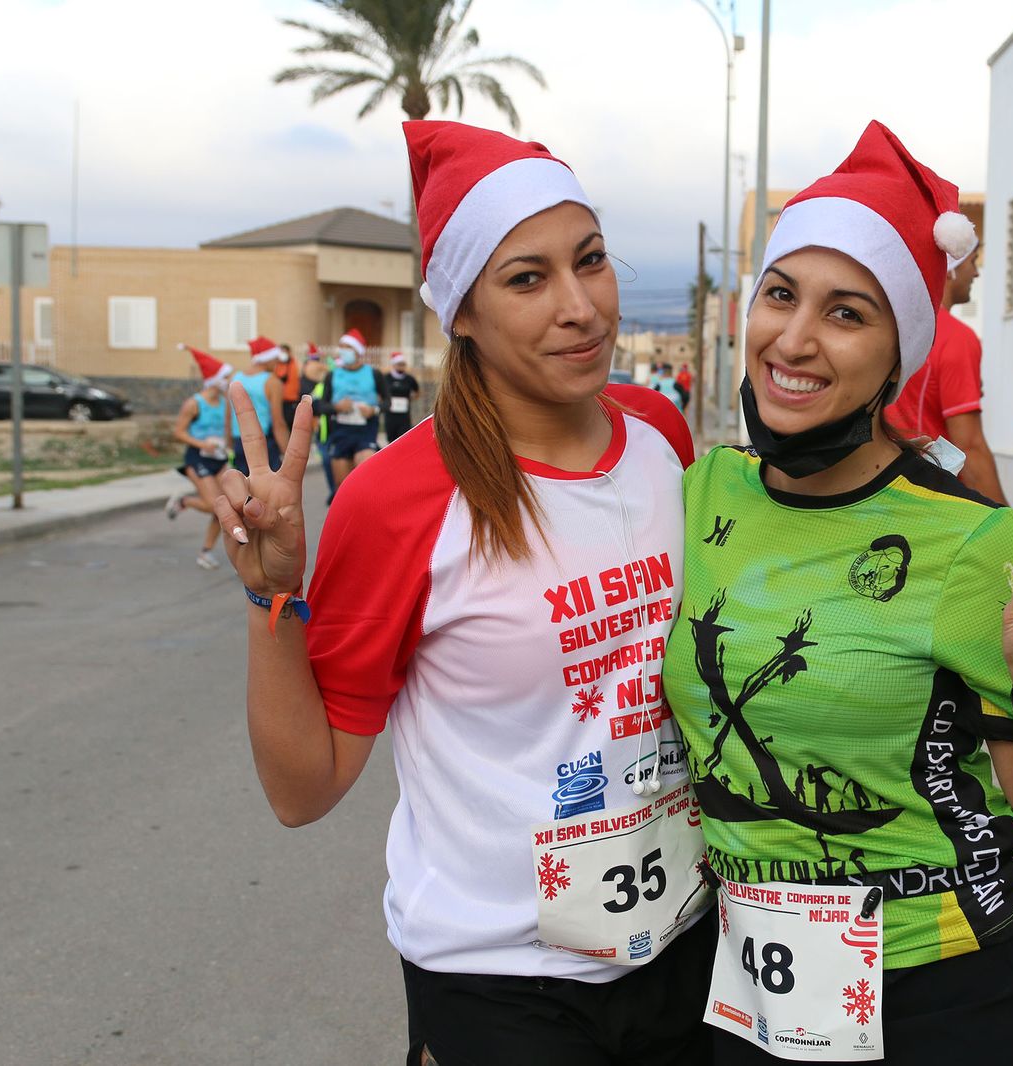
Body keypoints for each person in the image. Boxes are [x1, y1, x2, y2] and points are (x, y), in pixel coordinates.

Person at [211, 121, 713, 1066]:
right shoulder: (399, 498)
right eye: (527, 279)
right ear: (465, 313)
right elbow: (302, 789)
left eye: (591, 261)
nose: (580, 307)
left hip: (683, 946)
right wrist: (272, 599)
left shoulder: (659, 435)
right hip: (499, 984)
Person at [664, 121, 1013, 1064]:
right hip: (758, 998)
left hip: (957, 996)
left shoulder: (968, 538)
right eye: (780, 295)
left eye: (847, 313)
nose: (796, 337)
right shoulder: (699, 494)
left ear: (898, 357)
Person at [884, 233, 1005, 499]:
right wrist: (1012, 529)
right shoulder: (956, 337)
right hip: (932, 494)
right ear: (950, 269)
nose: (976, 273)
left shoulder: (894, 326)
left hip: (882, 487)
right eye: (972, 262)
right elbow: (970, 446)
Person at [165, 345, 234, 571]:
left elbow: (226, 428)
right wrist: (202, 444)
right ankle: (184, 501)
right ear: (213, 379)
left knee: (227, 507)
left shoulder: (224, 402)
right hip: (198, 459)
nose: (227, 381)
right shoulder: (194, 403)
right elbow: (178, 432)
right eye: (224, 377)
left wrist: (227, 447)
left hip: (218, 458)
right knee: (214, 506)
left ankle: (205, 553)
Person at [320, 328, 383, 491]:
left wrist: (373, 410)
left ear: (357, 351)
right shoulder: (332, 375)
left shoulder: (374, 373)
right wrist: (336, 407)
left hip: (365, 432)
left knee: (365, 483)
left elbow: (388, 402)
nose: (342, 351)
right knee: (342, 488)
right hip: (341, 433)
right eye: (341, 347)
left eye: (347, 347)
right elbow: (321, 405)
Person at [230, 336, 289, 476]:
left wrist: (230, 445)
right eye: (275, 359)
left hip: (239, 442)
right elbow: (278, 422)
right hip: (263, 445)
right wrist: (288, 455)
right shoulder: (273, 382)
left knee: (245, 493)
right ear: (267, 358)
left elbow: (228, 415)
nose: (277, 363)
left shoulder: (235, 378)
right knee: (270, 495)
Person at [301, 343, 336, 498]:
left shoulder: (329, 379)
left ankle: (336, 490)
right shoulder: (310, 380)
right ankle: (333, 490)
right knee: (327, 459)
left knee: (331, 458)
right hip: (320, 425)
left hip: (331, 425)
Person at [382, 350, 421, 443]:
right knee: (391, 440)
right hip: (390, 414)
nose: (401, 367)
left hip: (404, 415)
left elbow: (417, 392)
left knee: (403, 439)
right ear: (394, 365)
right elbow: (381, 392)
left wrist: (410, 399)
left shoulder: (409, 379)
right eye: (399, 364)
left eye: (403, 364)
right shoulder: (386, 378)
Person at [277, 343, 304, 430]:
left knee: (290, 425)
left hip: (292, 400)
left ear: (289, 352)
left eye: (284, 352)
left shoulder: (295, 364)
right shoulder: (277, 365)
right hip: (279, 400)